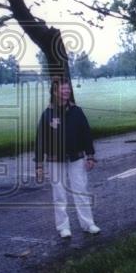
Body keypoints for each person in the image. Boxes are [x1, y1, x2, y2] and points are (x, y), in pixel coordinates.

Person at [35, 78, 101, 239]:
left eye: (68, 89)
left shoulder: (77, 111)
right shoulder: (47, 114)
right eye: (63, 89)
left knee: (80, 191)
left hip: (76, 158)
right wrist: (39, 165)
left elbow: (86, 133)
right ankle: (63, 227)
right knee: (59, 194)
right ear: (55, 92)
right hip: (54, 160)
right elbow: (40, 140)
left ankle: (88, 224)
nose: (67, 92)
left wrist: (90, 155)